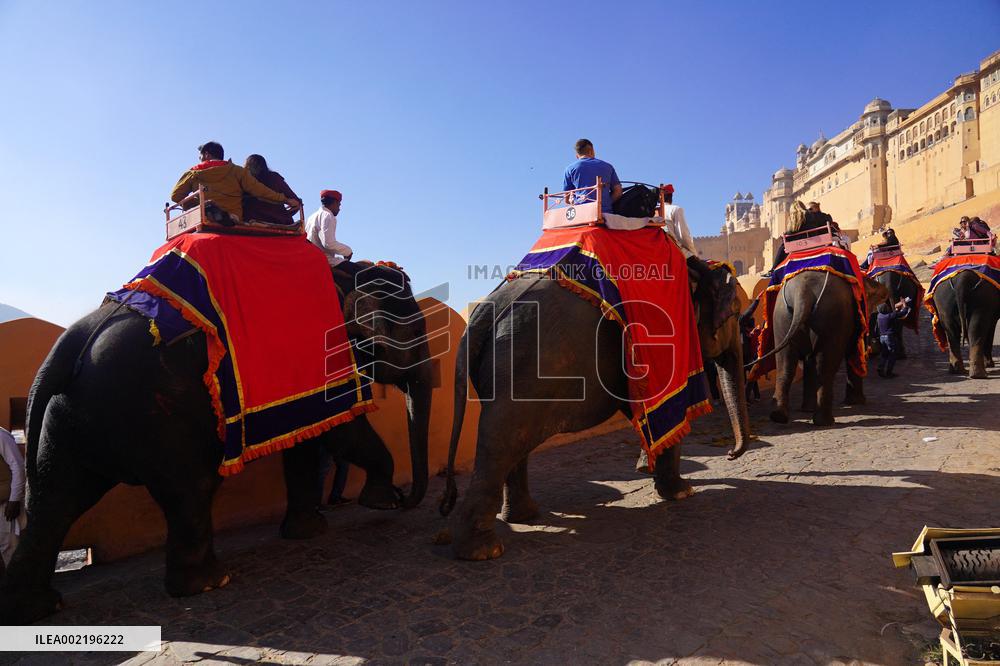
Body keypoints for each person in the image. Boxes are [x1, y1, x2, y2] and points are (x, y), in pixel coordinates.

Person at [170, 142, 298, 223]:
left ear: (206, 155)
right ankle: (227, 216)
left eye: (200, 157)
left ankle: (211, 211)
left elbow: (175, 196)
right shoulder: (236, 171)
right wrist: (284, 199)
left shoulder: (192, 173)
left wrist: (193, 201)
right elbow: (259, 190)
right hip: (234, 218)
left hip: (203, 218)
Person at [765, 201, 837, 276]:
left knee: (783, 247)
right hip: (815, 240)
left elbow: (792, 231)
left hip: (799, 244)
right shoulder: (812, 214)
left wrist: (785, 236)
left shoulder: (794, 217)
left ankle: (773, 270)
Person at [563, 139, 622, 213]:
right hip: (604, 212)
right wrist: (607, 203)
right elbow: (618, 192)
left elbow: (567, 198)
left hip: (581, 213)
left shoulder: (570, 169)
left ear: (577, 155)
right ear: (592, 151)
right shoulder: (608, 166)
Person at [241, 154, 302, 225]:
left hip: (252, 221)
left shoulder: (244, 181)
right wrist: (283, 214)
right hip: (278, 222)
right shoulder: (274, 178)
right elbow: (296, 203)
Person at [305, 190, 353, 267]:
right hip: (325, 260)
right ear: (334, 203)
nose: (339, 209)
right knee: (372, 273)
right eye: (339, 205)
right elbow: (328, 243)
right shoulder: (328, 216)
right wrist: (348, 251)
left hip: (311, 258)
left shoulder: (311, 217)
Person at [0, 427, 25, 567]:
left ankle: (19, 587)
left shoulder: (1, 436)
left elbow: (18, 467)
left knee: (10, 549)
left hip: (5, 506)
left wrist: (14, 500)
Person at [875, 297, 912, 378]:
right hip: (889, 337)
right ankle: (889, 372)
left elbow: (894, 314)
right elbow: (904, 312)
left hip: (882, 337)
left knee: (884, 354)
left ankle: (880, 367)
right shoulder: (889, 316)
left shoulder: (879, 316)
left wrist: (896, 309)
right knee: (892, 354)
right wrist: (904, 303)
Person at [660, 184, 698, 258]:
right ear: (671, 196)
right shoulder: (675, 209)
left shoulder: (652, 212)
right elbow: (683, 235)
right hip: (676, 252)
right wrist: (694, 254)